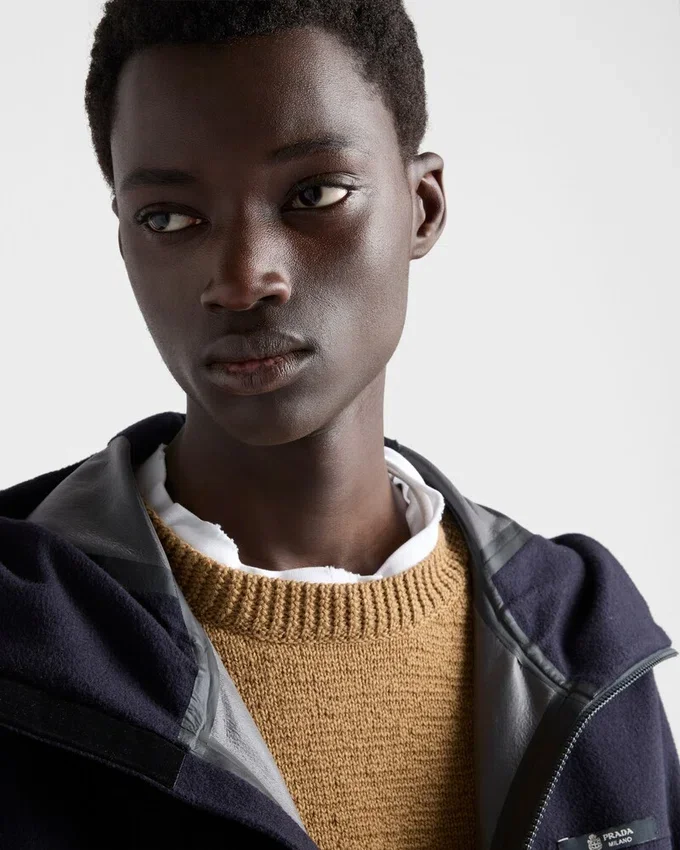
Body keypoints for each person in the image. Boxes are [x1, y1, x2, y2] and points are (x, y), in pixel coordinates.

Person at [0, 1, 677, 848]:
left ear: (422, 207)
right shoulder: (20, 629)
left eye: (313, 194)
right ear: (125, 242)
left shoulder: (586, 646)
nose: (243, 278)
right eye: (169, 217)